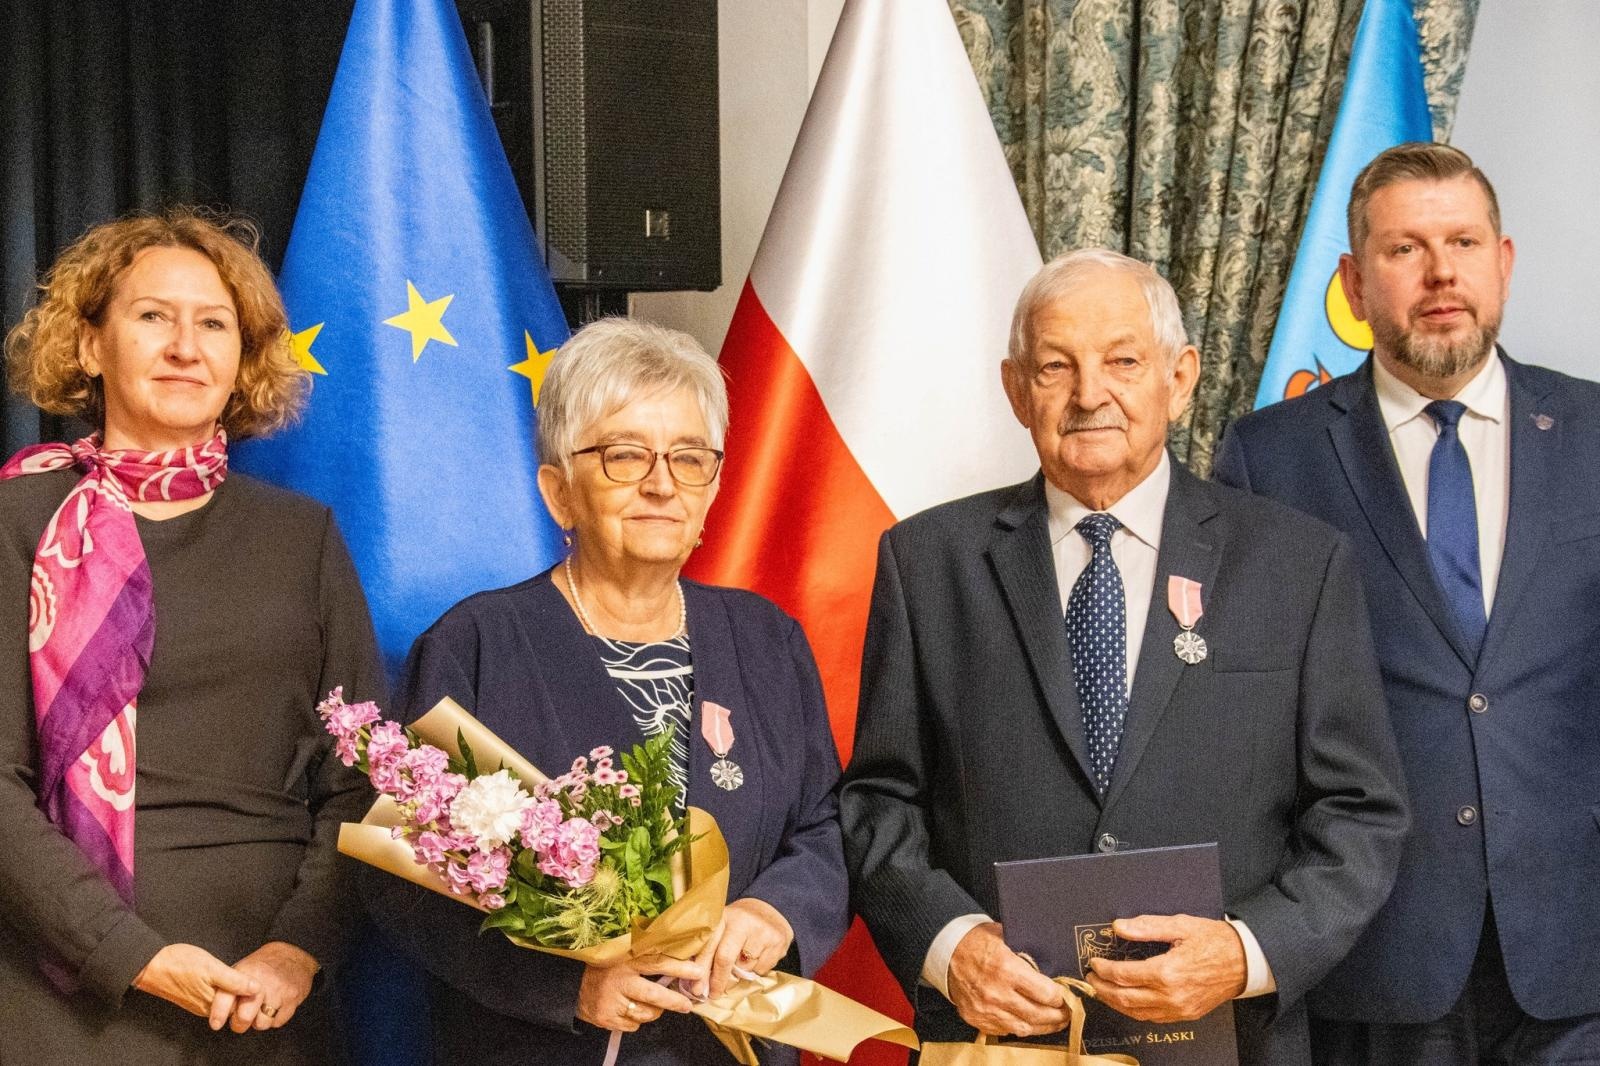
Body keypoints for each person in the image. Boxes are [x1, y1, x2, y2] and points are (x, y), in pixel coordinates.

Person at [840, 249, 1409, 1064]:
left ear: (1179, 380)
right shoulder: (928, 563)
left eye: (1123, 361)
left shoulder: (1299, 565)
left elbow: (1361, 814)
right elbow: (878, 800)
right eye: (1055, 367)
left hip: (1228, 1041)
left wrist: (1248, 953)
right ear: (1014, 389)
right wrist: (949, 944)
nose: (1088, 394)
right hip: (1002, 1040)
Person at [363, 317, 849, 1064]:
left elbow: (827, 827)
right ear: (559, 493)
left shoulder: (767, 640)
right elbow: (407, 883)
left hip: (735, 1047)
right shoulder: (474, 646)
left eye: (689, 458)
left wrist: (775, 912)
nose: (662, 483)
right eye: (625, 456)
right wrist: (565, 991)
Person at [1215, 142, 1600, 1064]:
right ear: (1351, 280)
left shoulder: (1594, 432)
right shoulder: (1270, 459)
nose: (1441, 273)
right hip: (1376, 954)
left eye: (1463, 242)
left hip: (1579, 950)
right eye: (1404, 249)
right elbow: (1244, 720)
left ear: (1502, 262)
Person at [0, 208, 383, 1063]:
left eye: (215, 324)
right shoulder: (15, 522)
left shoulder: (303, 536)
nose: (186, 346)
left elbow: (363, 782)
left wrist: (298, 953)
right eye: (152, 317)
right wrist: (131, 955)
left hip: (270, 999)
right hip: (66, 985)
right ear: (91, 344)